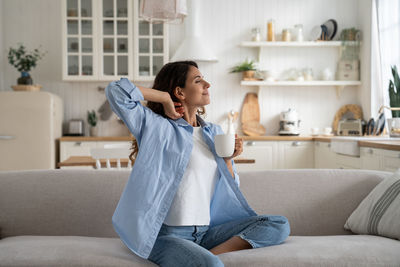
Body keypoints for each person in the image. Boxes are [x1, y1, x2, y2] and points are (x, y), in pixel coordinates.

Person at [105, 61, 290, 267]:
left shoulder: (214, 132)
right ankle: (207, 258)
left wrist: (228, 159)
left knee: (278, 224)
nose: (207, 85)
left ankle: (211, 253)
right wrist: (164, 98)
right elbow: (116, 91)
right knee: (210, 265)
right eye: (198, 80)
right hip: (167, 236)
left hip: (207, 232)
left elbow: (231, 186)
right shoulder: (156, 127)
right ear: (180, 92)